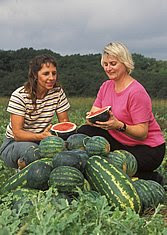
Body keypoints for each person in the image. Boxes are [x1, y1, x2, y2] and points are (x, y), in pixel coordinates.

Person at [78, 42, 166, 185]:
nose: (108, 68)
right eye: (105, 64)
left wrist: (119, 125)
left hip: (147, 149)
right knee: (84, 131)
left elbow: (142, 133)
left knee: (117, 165)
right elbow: (94, 112)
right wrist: (91, 119)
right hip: (120, 141)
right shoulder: (106, 86)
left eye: (113, 63)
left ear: (125, 63)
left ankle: (152, 178)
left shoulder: (136, 92)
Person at [0, 54, 70, 169]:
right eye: (46, 73)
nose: (52, 78)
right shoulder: (20, 96)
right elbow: (17, 134)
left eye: (54, 73)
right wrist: (41, 136)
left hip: (42, 142)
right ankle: (22, 169)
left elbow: (64, 122)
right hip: (13, 144)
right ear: (35, 75)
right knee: (34, 153)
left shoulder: (57, 92)